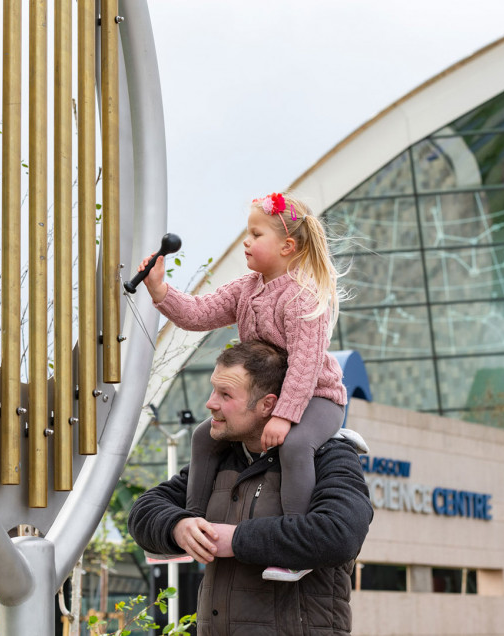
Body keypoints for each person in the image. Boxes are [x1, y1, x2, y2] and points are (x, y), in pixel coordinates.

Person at [137, 192, 348, 580]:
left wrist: (284, 417)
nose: (246, 241)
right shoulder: (246, 288)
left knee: (297, 445)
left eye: (256, 234)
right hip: (269, 401)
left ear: (287, 246)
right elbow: (199, 314)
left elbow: (304, 368)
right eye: (247, 233)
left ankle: (294, 549)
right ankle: (195, 525)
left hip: (316, 396)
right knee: (204, 437)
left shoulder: (303, 297)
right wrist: (160, 291)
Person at [127, 340, 373, 634]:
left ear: (267, 404)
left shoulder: (330, 455)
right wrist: (178, 526)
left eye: (225, 394)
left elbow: (341, 534)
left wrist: (236, 540)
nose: (210, 403)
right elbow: (143, 512)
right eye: (213, 389)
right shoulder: (219, 460)